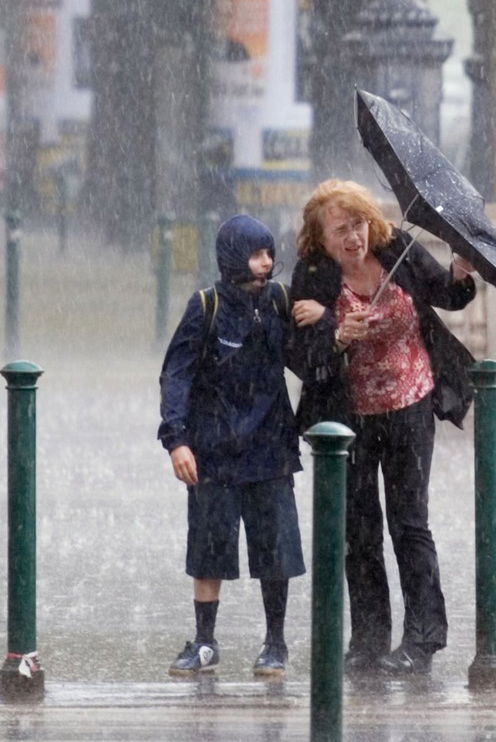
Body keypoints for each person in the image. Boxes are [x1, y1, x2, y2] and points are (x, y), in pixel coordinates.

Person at [288, 179, 476, 676]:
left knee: (410, 524)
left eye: (358, 224)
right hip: (349, 418)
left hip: (410, 405)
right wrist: (335, 334)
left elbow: (445, 294)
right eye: (339, 231)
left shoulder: (399, 249)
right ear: (319, 240)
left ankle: (423, 639)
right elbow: (300, 354)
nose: (353, 238)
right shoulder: (312, 277)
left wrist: (460, 272)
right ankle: (369, 640)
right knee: (360, 533)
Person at [157, 215, 325, 678]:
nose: (266, 264)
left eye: (270, 254)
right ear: (233, 257)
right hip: (213, 451)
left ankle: (275, 642)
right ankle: (205, 641)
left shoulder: (279, 301)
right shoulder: (205, 306)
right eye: (256, 255)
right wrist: (177, 440)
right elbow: (177, 375)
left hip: (271, 449)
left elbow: (309, 361)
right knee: (209, 549)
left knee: (276, 549)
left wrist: (330, 326)